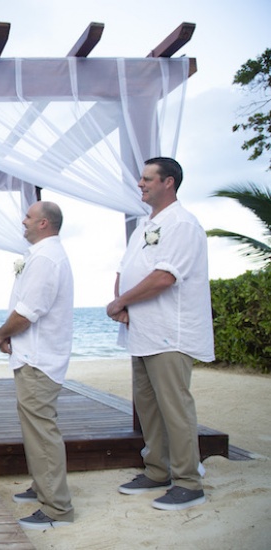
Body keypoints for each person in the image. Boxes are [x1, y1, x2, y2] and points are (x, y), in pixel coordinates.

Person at [106, 157, 214, 511]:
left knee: (175, 408)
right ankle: (157, 470)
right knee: (149, 409)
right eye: (140, 179)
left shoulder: (182, 223)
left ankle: (187, 481)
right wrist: (120, 301)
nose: (140, 184)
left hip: (171, 331)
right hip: (143, 331)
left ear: (169, 182)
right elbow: (127, 268)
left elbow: (165, 277)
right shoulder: (143, 224)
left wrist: (122, 300)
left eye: (147, 179)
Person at [0, 201, 75, 530]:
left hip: (39, 359)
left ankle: (57, 508)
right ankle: (43, 485)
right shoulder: (44, 255)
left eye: (28, 216)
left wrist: (0, 333)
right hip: (34, 355)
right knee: (35, 428)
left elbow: (27, 312)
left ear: (44, 224)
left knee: (42, 432)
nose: (22, 221)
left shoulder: (45, 258)